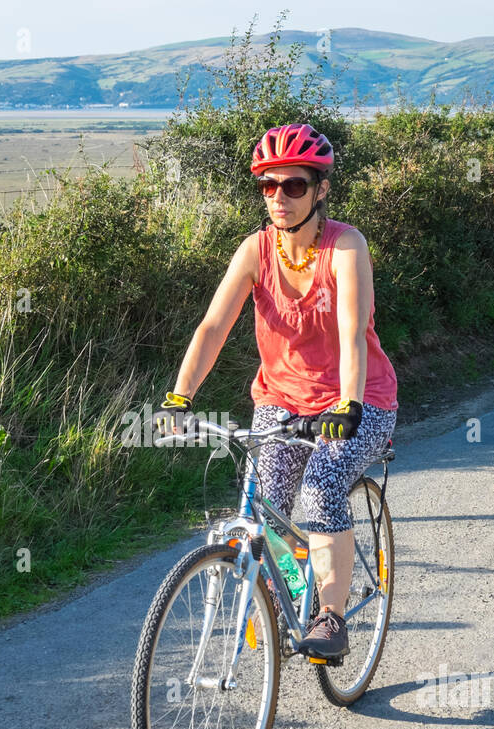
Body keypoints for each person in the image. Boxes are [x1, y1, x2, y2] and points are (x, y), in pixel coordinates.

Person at [153, 122, 399, 660]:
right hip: (281, 402)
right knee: (264, 505)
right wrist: (180, 395)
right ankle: (287, 596)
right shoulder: (255, 251)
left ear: (321, 189)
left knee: (322, 486)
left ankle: (331, 618)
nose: (279, 197)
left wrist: (348, 404)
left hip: (359, 403)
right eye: (269, 186)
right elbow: (213, 326)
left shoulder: (346, 247)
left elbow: (353, 331)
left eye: (293, 185)